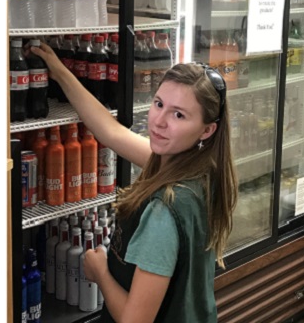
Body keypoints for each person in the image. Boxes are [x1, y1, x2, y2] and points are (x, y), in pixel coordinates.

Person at [28, 42, 236, 321]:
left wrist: (100, 272)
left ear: (206, 130)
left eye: (178, 114)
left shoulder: (163, 212)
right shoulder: (201, 171)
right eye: (158, 104)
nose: (159, 121)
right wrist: (61, 72)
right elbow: (111, 132)